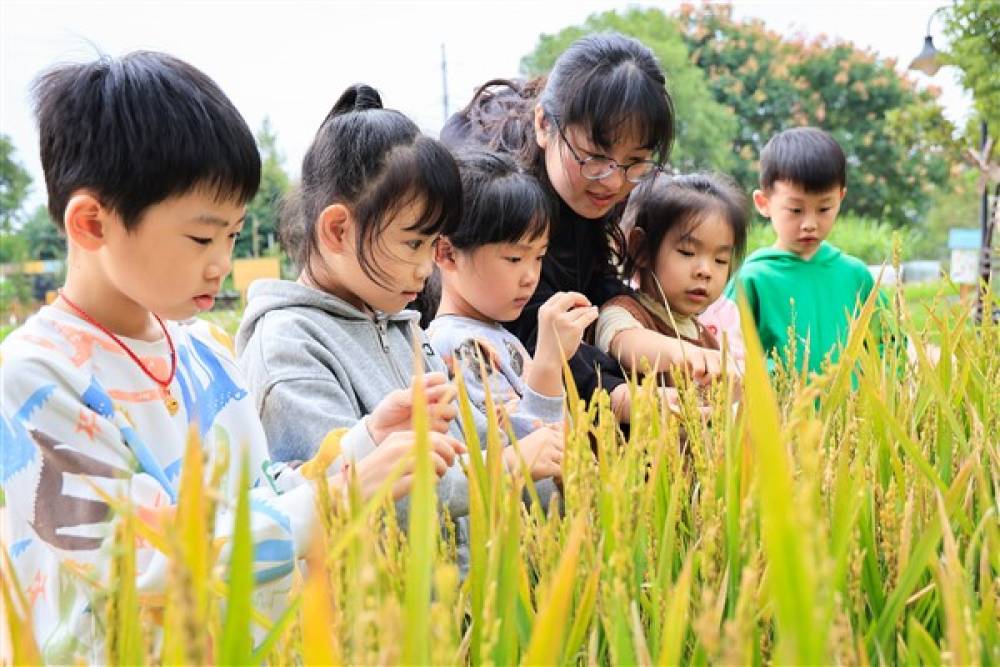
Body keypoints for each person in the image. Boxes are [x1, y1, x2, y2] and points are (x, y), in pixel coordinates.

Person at [0, 53, 462, 663]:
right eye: (200, 237)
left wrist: (364, 443)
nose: (221, 262)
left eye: (234, 236)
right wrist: (343, 493)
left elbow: (260, 491)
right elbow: (138, 565)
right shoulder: (38, 377)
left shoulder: (202, 352)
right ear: (92, 223)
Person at [441, 34, 733, 423]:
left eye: (636, 162)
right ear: (544, 124)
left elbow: (597, 293)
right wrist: (622, 397)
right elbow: (531, 323)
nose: (613, 182)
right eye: (596, 157)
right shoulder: (495, 198)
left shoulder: (593, 193)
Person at [236, 84, 474, 537]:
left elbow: (476, 443)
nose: (427, 267)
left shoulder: (404, 327)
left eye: (433, 244)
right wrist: (511, 472)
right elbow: (365, 502)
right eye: (413, 243)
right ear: (338, 229)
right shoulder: (287, 347)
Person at [427, 150, 594, 488]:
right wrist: (548, 363)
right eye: (515, 257)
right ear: (447, 253)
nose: (531, 276)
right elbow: (523, 467)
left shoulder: (497, 336)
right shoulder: (454, 346)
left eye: (539, 257)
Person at [716, 127, 877, 375]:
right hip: (780, 412)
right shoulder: (751, 280)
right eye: (795, 210)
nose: (810, 224)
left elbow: (889, 346)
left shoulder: (856, 276)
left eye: (824, 209)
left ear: (841, 199)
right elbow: (727, 354)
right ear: (763, 203)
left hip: (851, 412)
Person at [596, 173, 748, 385]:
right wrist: (685, 354)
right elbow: (625, 343)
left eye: (720, 260)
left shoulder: (706, 339)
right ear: (641, 249)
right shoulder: (623, 312)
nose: (705, 271)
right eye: (687, 252)